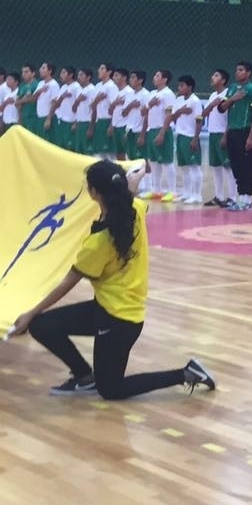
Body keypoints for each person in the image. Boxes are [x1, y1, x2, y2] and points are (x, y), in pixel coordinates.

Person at [8, 160, 216, 399]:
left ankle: (186, 374)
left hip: (120, 320)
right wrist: (134, 174)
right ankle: (84, 377)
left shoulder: (99, 242)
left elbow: (68, 283)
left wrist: (30, 313)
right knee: (43, 326)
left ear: (94, 193)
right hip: (108, 309)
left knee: (111, 389)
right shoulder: (135, 209)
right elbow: (132, 188)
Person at [220, 61, 252, 212]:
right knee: (236, 165)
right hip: (233, 132)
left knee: (247, 165)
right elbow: (221, 108)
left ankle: (247, 199)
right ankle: (240, 197)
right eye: (237, 69)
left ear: (248, 73)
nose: (238, 72)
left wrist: (251, 136)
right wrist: (233, 99)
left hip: (245, 131)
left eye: (241, 70)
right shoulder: (232, 88)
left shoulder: (251, 89)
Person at [169, 75, 205, 205]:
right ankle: (187, 192)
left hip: (190, 136)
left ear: (189, 87)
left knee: (194, 167)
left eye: (182, 85)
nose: (179, 88)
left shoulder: (195, 101)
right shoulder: (178, 100)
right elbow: (172, 117)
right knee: (184, 167)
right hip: (180, 135)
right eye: (179, 85)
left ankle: (197, 195)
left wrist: (195, 138)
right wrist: (181, 110)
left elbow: (199, 121)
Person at [144, 69, 178, 202]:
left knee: (166, 161)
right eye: (155, 75)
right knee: (154, 162)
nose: (154, 77)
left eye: (158, 75)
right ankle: (156, 190)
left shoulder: (168, 94)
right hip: (151, 129)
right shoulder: (152, 93)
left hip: (162, 130)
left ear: (164, 79)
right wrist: (150, 104)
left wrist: (162, 133)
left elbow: (169, 115)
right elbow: (143, 111)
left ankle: (172, 191)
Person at [201, 70, 233, 207]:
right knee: (216, 167)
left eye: (216, 76)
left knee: (228, 167)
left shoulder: (228, 94)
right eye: (213, 75)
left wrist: (226, 135)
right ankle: (219, 196)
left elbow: (232, 117)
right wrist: (213, 103)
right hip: (212, 134)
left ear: (223, 80)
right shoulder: (213, 95)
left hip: (222, 133)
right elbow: (204, 113)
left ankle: (232, 197)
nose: (212, 77)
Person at [87, 63, 118, 160]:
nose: (99, 70)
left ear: (109, 72)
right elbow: (92, 106)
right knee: (99, 152)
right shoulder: (98, 86)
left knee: (109, 153)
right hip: (99, 121)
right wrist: (91, 126)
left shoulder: (111, 86)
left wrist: (112, 125)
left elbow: (115, 108)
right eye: (99, 68)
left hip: (108, 121)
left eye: (102, 68)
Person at [50, 65, 78, 151]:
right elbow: (57, 105)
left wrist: (76, 122)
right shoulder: (63, 87)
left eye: (63, 72)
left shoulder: (76, 87)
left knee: (70, 147)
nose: (61, 75)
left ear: (70, 75)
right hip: (62, 121)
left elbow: (79, 106)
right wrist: (62, 97)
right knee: (61, 147)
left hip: (71, 122)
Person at [106, 66, 130, 161]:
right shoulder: (115, 91)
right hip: (116, 125)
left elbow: (126, 113)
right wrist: (112, 125)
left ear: (124, 78)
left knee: (129, 152)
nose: (114, 77)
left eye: (117, 75)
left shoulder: (129, 92)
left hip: (125, 126)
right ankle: (122, 172)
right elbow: (110, 111)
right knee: (119, 153)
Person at [34, 62, 60, 143]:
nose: (40, 70)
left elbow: (54, 103)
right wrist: (40, 90)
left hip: (48, 117)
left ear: (50, 71)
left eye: (43, 68)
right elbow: (34, 98)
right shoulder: (40, 83)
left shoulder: (54, 84)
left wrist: (48, 119)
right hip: (40, 116)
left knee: (48, 141)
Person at [72, 68, 95, 155]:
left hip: (87, 123)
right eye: (78, 75)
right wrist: (77, 100)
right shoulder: (79, 89)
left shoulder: (92, 89)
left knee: (88, 151)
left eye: (81, 75)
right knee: (79, 151)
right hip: (79, 123)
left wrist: (91, 128)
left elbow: (94, 110)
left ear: (88, 77)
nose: (79, 77)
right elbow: (74, 109)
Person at [0, 70, 19, 135]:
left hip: (14, 122)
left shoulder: (18, 92)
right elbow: (1, 109)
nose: (7, 81)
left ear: (16, 82)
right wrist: (5, 102)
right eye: (7, 79)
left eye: (10, 79)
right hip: (6, 122)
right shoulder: (7, 94)